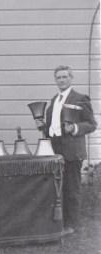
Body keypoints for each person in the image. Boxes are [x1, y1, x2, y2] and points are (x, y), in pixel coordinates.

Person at [35, 65, 97, 235]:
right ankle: (60, 222)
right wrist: (43, 127)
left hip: (72, 151)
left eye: (64, 77)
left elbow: (91, 124)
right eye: (58, 77)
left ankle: (72, 225)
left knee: (72, 188)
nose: (61, 80)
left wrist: (75, 128)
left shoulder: (80, 98)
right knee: (58, 188)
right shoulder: (54, 100)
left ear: (71, 78)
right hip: (55, 151)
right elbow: (51, 129)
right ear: (55, 80)